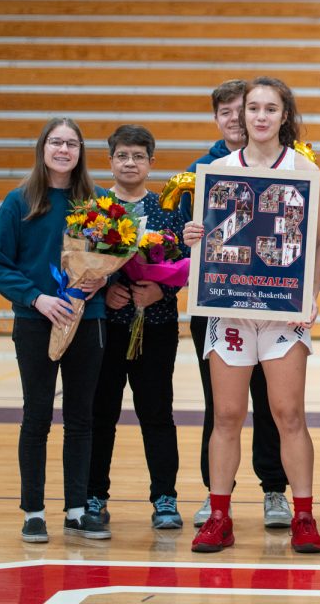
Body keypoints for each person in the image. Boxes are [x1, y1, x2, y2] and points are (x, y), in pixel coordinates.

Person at [183, 77, 320, 554]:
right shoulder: (217, 169)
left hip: (284, 312)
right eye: (253, 109)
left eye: (271, 108)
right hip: (230, 309)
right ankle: (219, 515)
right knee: (226, 414)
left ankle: (303, 515)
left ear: (285, 115)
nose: (261, 116)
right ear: (240, 116)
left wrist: (313, 293)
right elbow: (209, 239)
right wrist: (194, 236)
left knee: (288, 413)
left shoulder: (306, 170)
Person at [0, 117, 110, 544]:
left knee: (81, 419)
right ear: (43, 148)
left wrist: (101, 279)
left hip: (87, 323)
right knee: (36, 417)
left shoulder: (99, 203)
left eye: (71, 144)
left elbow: (110, 257)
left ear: (80, 152)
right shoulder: (18, 202)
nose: (63, 150)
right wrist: (36, 298)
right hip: (36, 322)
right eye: (55, 142)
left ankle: (77, 510)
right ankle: (33, 512)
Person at [181, 79, 291, 531]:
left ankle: (274, 491)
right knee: (221, 407)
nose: (238, 117)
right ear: (223, 118)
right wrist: (189, 238)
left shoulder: (296, 164)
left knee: (273, 404)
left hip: (276, 302)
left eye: (243, 108)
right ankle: (216, 496)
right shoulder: (202, 171)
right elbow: (188, 242)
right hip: (221, 303)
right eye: (229, 111)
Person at [85, 125, 185, 531]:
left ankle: (165, 497)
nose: (130, 163)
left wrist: (157, 294)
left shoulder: (167, 211)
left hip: (156, 326)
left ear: (151, 163)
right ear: (110, 161)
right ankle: (93, 495)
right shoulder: (93, 210)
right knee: (100, 414)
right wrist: (105, 291)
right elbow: (78, 266)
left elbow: (183, 268)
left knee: (157, 414)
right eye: (122, 156)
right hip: (104, 329)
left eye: (138, 156)